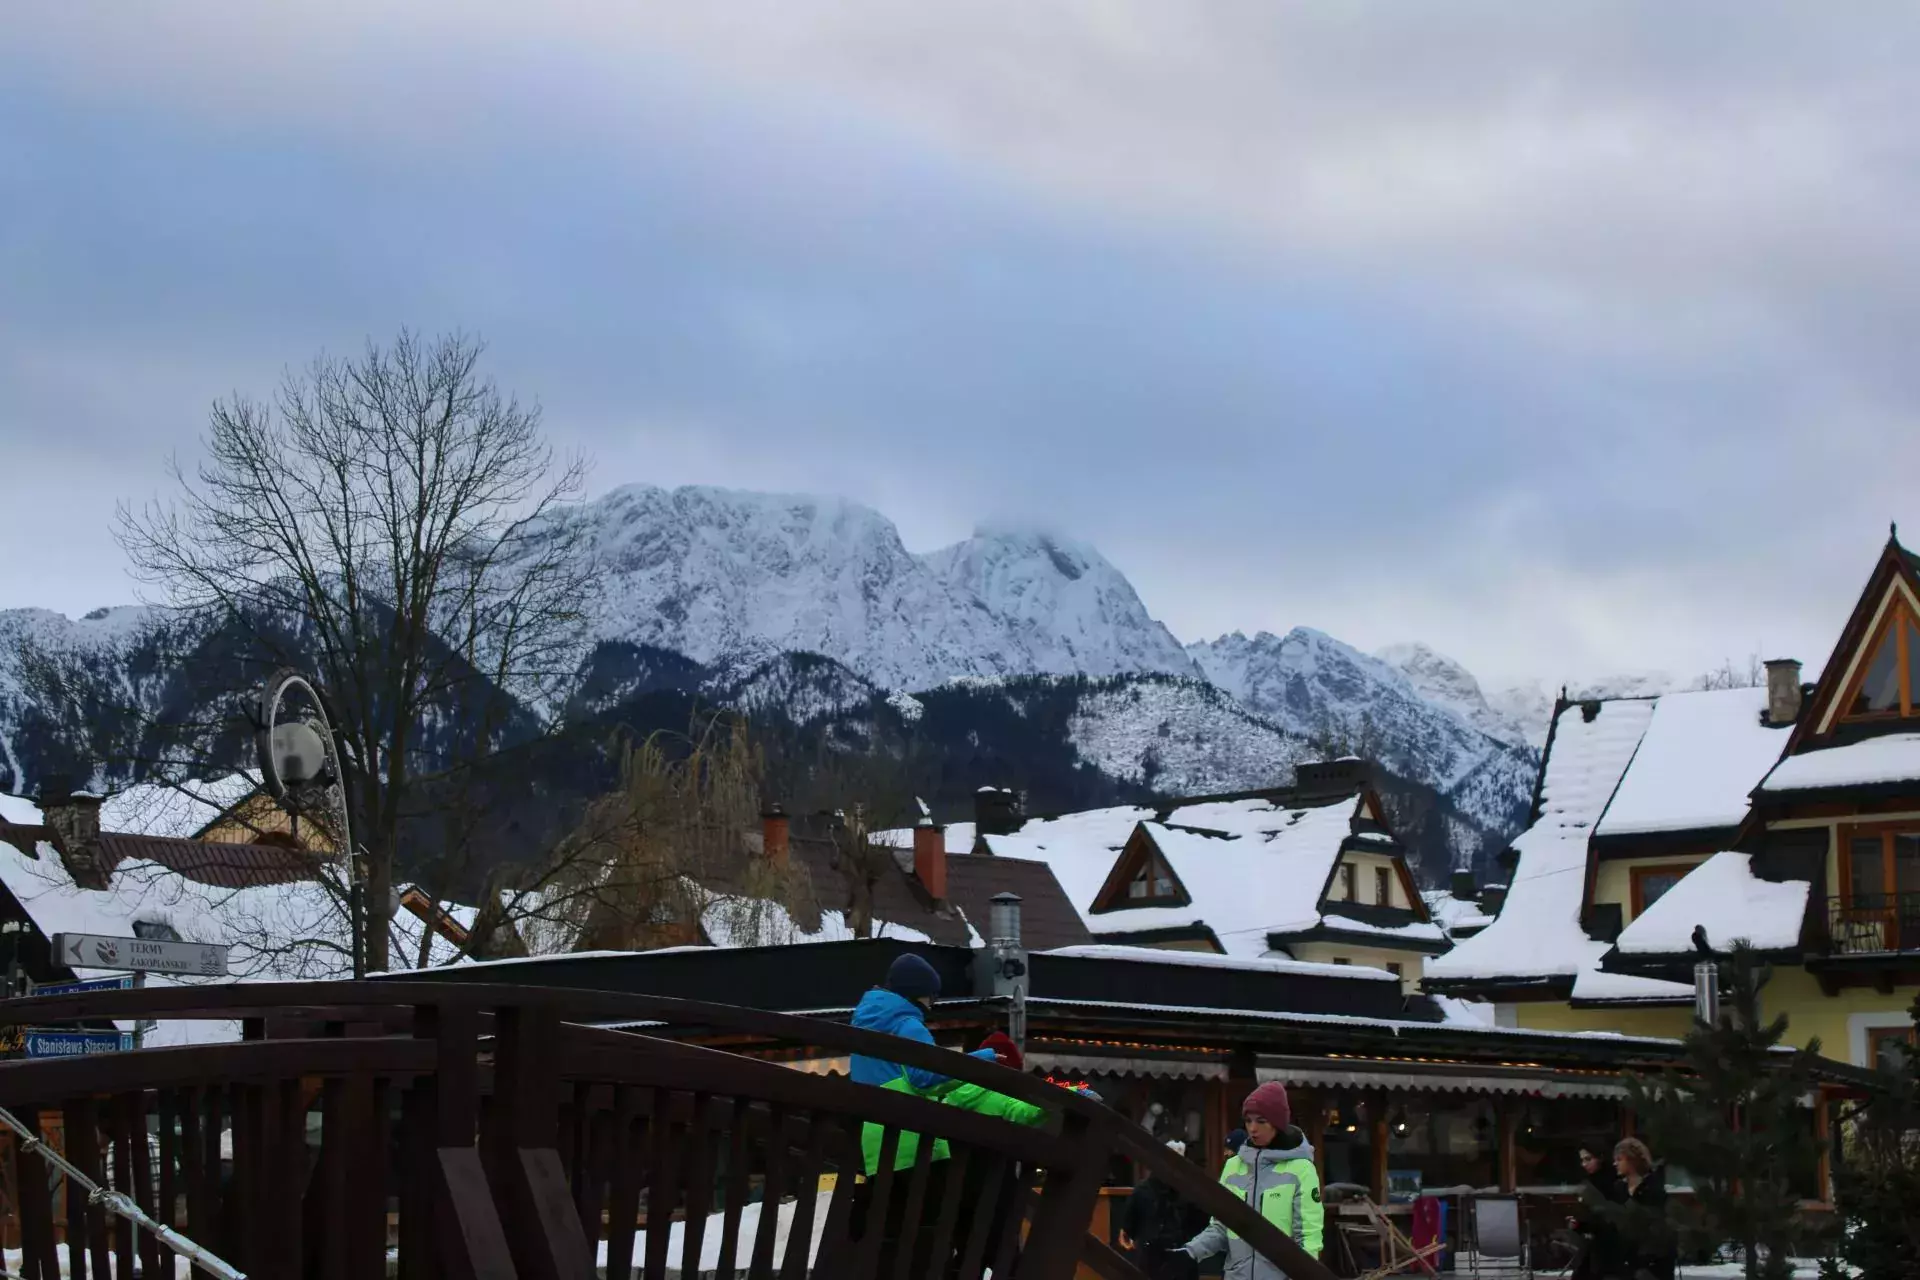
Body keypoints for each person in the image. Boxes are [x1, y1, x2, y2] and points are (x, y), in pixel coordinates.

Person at [847, 954, 1048, 1273]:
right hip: (914, 1139)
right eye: (931, 994)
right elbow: (925, 1077)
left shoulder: (865, 1022)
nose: (933, 1003)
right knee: (946, 1220)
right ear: (918, 991)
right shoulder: (907, 1023)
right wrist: (981, 1060)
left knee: (897, 1228)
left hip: (877, 1142)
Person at [1183, 1082, 1324, 1279]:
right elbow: (1221, 1228)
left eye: (1261, 1121)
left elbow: (1308, 1238)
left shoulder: (1301, 1169)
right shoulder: (1233, 1166)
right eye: (1248, 1121)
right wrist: (1189, 1253)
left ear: (1277, 1123)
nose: (1252, 1128)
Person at [1119, 1139, 1210, 1280]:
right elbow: (1126, 1232)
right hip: (1155, 1263)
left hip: (1177, 1263)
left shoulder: (1191, 1193)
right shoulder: (1143, 1191)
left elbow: (1202, 1228)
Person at [1606, 1138, 1674, 1280]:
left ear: (1633, 1160)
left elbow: (1659, 1228)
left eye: (1619, 1159)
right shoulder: (1618, 1188)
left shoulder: (1654, 1188)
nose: (1615, 1164)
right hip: (1624, 1262)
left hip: (1651, 1263)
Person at [1566, 1146, 1623, 1280]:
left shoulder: (1614, 1184)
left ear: (1600, 1158)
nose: (1584, 1164)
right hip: (1591, 1245)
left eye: (1588, 1159)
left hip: (1610, 1247)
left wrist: (1583, 1224)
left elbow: (1608, 1217)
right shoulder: (1588, 1182)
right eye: (1582, 1160)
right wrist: (1579, 1224)